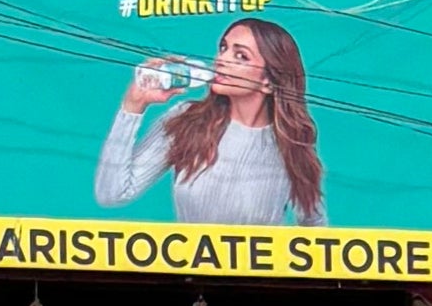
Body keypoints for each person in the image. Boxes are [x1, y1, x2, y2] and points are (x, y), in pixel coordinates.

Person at [96, 16, 324, 225]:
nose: (221, 59)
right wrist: (133, 106)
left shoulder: (290, 145)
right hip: (190, 268)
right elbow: (112, 193)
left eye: (240, 55)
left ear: (268, 82)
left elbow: (316, 231)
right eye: (223, 48)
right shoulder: (187, 120)